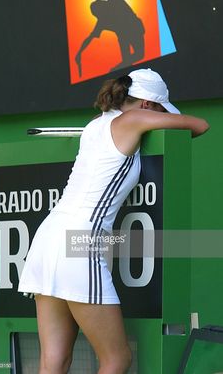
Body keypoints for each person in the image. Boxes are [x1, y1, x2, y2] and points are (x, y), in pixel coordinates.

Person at [18, 68, 209, 374]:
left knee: (53, 361)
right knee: (117, 360)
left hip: (47, 238)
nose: (160, 117)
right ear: (147, 106)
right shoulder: (134, 119)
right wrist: (154, 123)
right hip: (80, 243)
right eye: (160, 110)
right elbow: (199, 125)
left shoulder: (96, 124)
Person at [75, 0, 145, 76]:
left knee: (133, 58)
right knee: (133, 59)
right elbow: (90, 37)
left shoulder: (112, 2)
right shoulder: (104, 17)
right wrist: (79, 52)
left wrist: (80, 52)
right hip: (126, 35)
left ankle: (115, 71)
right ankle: (117, 71)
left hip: (134, 30)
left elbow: (90, 38)